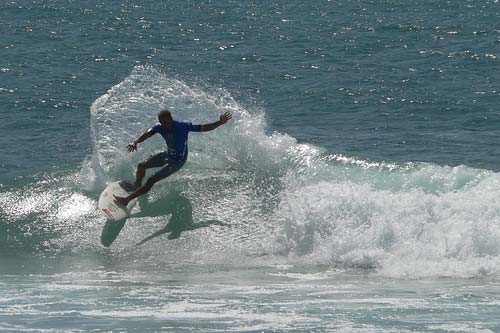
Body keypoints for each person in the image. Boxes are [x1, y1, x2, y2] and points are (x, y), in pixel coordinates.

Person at [113, 109, 232, 207]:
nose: (165, 125)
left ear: (171, 119)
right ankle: (137, 185)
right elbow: (148, 133)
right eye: (162, 123)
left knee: (151, 179)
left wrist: (219, 122)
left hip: (178, 161)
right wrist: (135, 142)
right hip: (168, 155)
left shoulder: (182, 126)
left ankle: (126, 200)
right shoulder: (160, 127)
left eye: (167, 122)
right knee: (141, 166)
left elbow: (203, 127)